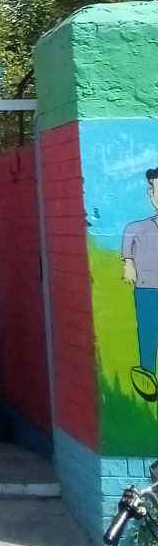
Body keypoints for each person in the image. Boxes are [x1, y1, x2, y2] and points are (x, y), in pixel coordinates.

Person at [121, 167, 158, 402]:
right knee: (148, 330)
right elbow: (128, 240)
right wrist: (128, 264)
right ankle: (147, 372)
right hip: (147, 288)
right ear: (150, 193)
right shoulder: (137, 228)